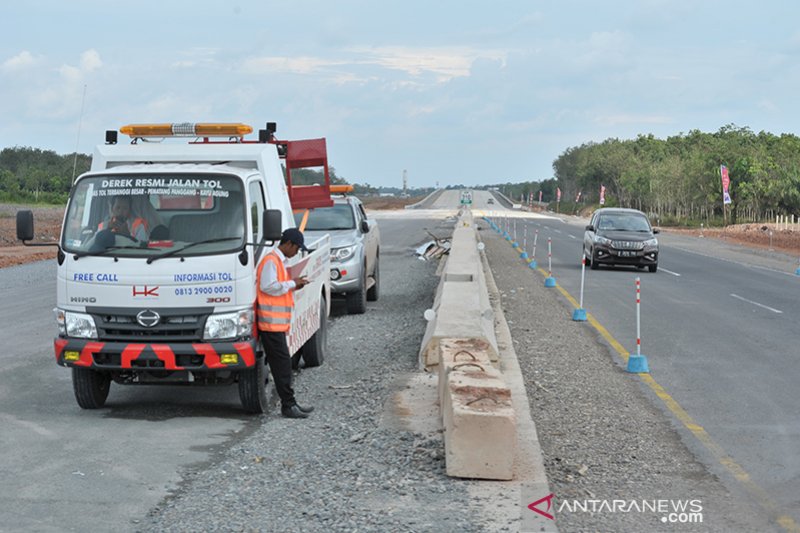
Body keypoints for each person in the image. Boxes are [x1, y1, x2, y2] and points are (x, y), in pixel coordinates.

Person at [255, 228, 314, 419]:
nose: (297, 252)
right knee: (282, 367)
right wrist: (292, 284)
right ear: (288, 244)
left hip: (275, 325)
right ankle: (288, 406)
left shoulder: (278, 261)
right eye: (296, 248)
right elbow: (268, 286)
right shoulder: (271, 261)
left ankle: (291, 403)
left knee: (283, 365)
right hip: (270, 325)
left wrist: (293, 284)